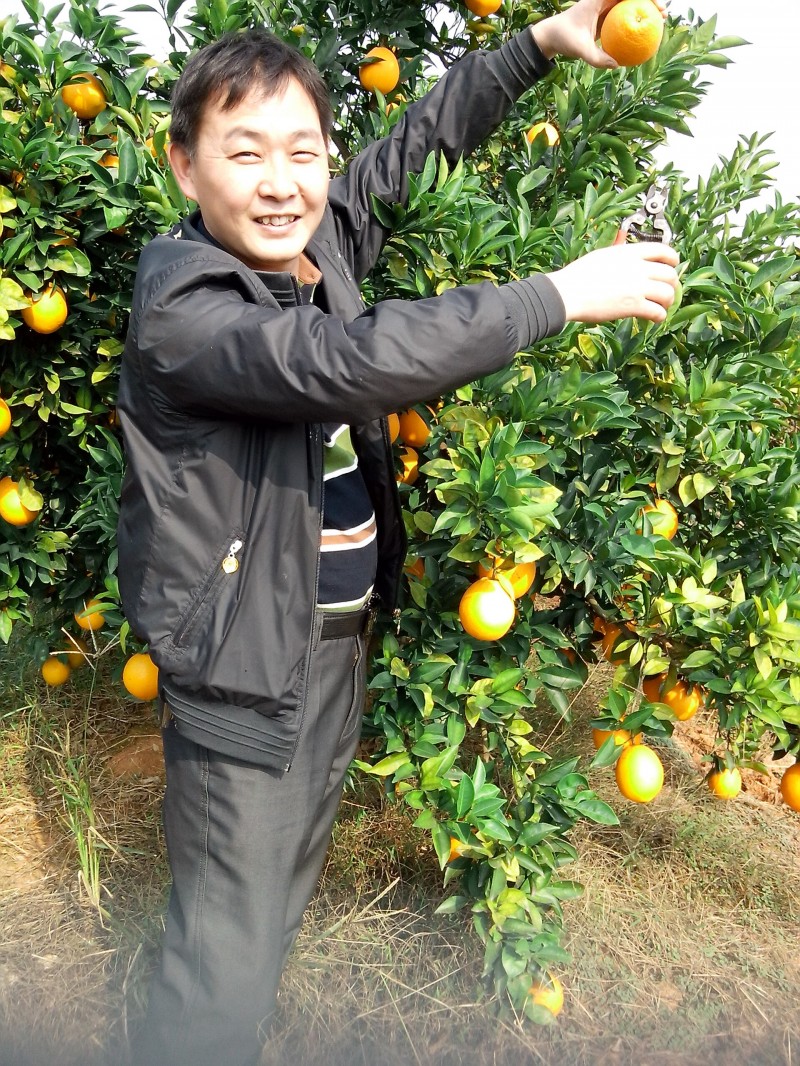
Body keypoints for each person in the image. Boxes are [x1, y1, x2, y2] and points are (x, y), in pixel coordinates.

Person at [116, 1, 677, 1062]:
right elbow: (343, 362)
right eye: (245, 152)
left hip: (329, 652)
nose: (280, 182)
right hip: (243, 674)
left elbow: (413, 146)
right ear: (186, 167)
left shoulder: (310, 248)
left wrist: (535, 46)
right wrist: (554, 296)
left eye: (303, 152)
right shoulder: (183, 306)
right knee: (221, 966)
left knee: (266, 920)